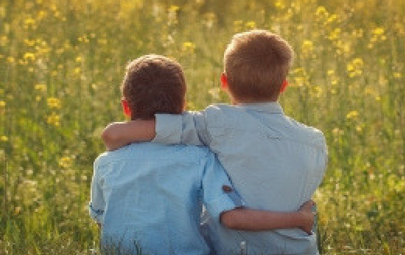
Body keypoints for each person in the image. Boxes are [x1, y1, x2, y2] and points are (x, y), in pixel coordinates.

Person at [102, 30, 328, 255]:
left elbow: (155, 128)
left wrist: (116, 133)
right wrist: (299, 219)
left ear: (224, 81)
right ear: (283, 86)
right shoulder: (315, 142)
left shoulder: (216, 123)